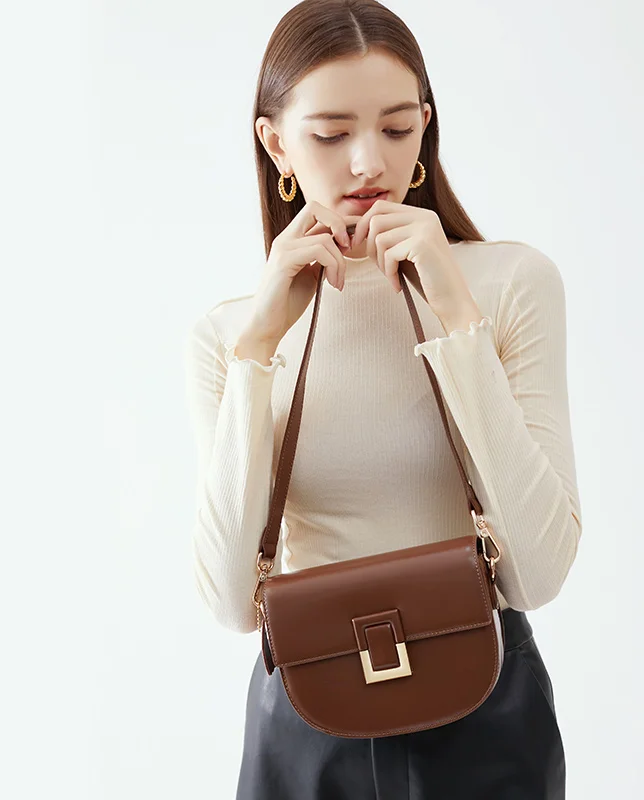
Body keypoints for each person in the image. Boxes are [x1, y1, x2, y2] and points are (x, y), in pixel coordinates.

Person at [184, 1, 583, 797]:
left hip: (486, 714)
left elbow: (535, 577)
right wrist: (258, 349)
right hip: (307, 731)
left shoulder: (510, 285)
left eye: (397, 129)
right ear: (276, 143)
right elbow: (231, 603)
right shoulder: (228, 335)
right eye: (331, 135)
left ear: (425, 128)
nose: (369, 162)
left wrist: (457, 317)